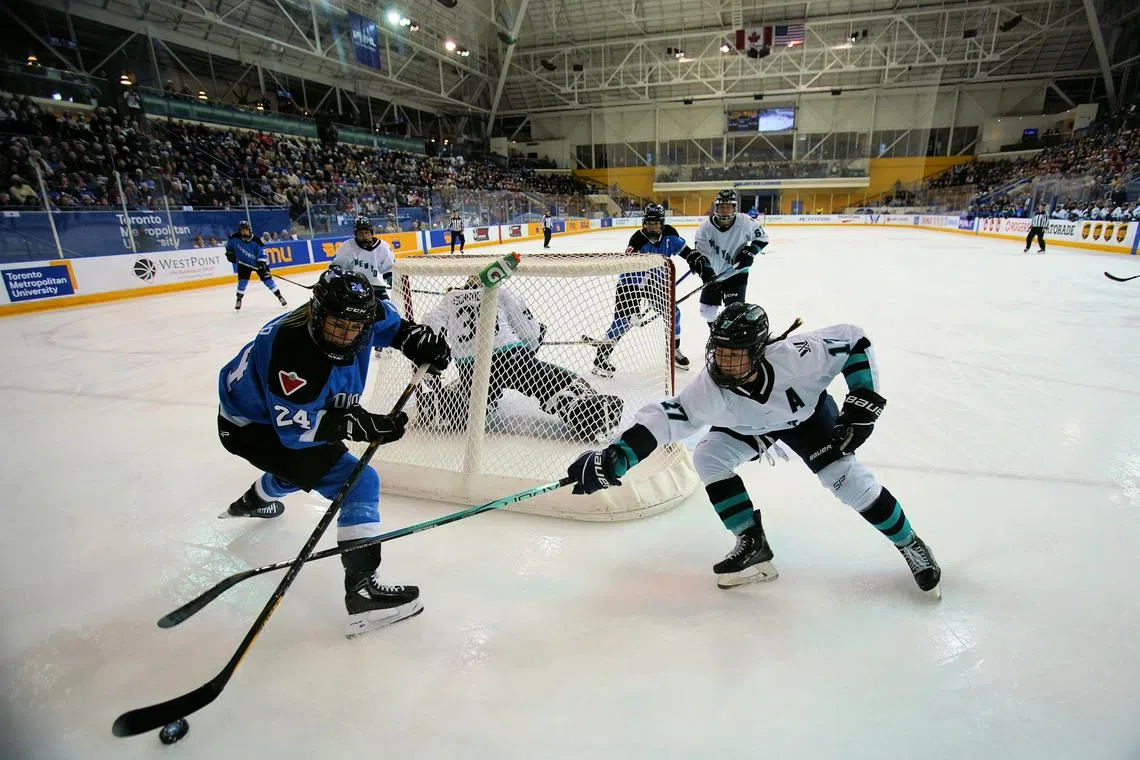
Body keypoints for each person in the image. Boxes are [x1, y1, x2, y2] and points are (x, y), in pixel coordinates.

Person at [564, 302, 941, 597]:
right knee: (709, 456)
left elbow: (853, 340)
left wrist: (862, 398)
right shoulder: (710, 388)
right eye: (719, 352)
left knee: (848, 483)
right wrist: (619, 455)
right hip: (753, 426)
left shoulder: (798, 356)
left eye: (735, 354)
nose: (723, 363)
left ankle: (910, 543)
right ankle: (751, 541)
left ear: (760, 350)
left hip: (807, 417)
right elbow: (666, 417)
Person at [217, 266, 452, 637]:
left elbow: (391, 327)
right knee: (359, 481)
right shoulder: (293, 355)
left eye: (353, 328)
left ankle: (252, 499)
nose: (344, 335)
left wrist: (414, 340)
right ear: (316, 311)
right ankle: (362, 593)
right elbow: (295, 434)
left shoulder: (364, 313)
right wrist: (351, 424)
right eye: (335, 324)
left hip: (280, 419)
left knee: (299, 472)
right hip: (252, 429)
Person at [418, 276, 623, 442]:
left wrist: (432, 360)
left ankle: (446, 404)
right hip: (511, 359)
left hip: (470, 367)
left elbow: (429, 324)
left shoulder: (451, 297)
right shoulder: (499, 291)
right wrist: (535, 341)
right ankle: (587, 411)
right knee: (557, 380)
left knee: (477, 394)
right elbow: (529, 332)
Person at [593, 203, 693, 378]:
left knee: (673, 314)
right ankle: (601, 358)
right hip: (630, 284)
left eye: (655, 223)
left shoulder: (670, 235)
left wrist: (697, 261)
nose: (651, 226)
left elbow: (687, 252)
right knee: (622, 323)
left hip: (654, 285)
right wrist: (634, 308)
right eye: (648, 222)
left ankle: (675, 350)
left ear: (661, 223)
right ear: (643, 222)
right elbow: (628, 264)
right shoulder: (637, 240)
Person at [689, 189, 769, 325]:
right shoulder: (705, 229)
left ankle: (730, 338)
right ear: (717, 208)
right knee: (706, 312)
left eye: (728, 207)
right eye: (722, 207)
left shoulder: (745, 222)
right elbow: (702, 257)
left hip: (737, 273)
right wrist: (706, 273)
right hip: (714, 276)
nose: (725, 210)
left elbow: (763, 238)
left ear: (734, 208)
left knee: (734, 312)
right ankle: (719, 331)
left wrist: (750, 251)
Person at [225, 220, 287, 311]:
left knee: (267, 280)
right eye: (242, 230)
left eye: (246, 230)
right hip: (244, 263)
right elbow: (228, 247)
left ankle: (279, 296)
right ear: (239, 231)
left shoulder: (256, 241)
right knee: (242, 281)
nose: (244, 232)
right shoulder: (234, 238)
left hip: (258, 263)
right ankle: (239, 299)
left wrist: (262, 265)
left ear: (249, 230)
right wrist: (229, 254)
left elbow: (262, 254)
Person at [331, 216, 395, 302]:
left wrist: (390, 277)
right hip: (354, 289)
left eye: (366, 232)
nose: (364, 236)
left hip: (377, 289)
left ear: (371, 233)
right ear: (356, 235)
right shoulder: (348, 246)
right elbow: (336, 267)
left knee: (389, 312)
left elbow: (388, 268)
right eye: (361, 233)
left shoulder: (383, 247)